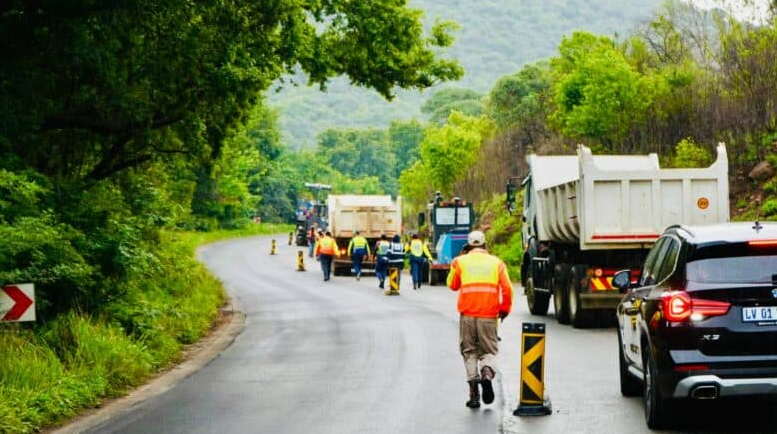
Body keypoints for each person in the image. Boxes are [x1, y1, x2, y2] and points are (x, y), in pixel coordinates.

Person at [446, 230, 513, 409]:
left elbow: (452, 285)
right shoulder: (497, 263)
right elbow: (507, 288)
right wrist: (505, 309)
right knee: (489, 351)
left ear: (468, 246)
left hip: (467, 316)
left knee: (469, 352)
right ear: (485, 245)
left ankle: (474, 393)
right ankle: (487, 374)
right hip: (489, 316)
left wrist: (457, 261)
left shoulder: (460, 261)